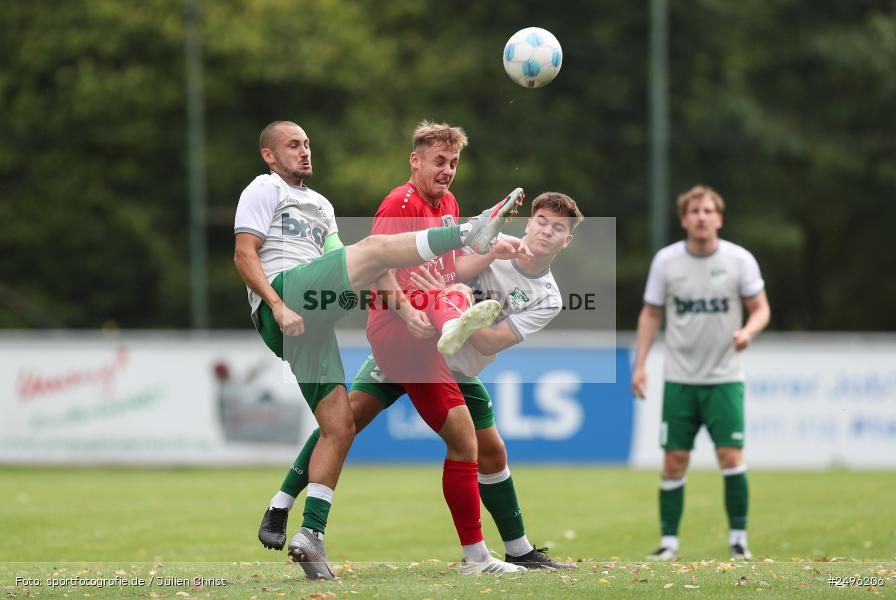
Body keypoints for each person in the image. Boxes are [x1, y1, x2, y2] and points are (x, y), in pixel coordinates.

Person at [234, 120, 521, 579]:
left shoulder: (322, 206)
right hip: (287, 298)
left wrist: (408, 307)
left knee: (339, 426)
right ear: (269, 155)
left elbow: (368, 264)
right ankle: (466, 253)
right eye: (293, 145)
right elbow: (244, 254)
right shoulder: (264, 188)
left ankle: (307, 531)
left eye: (308, 143)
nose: (305, 151)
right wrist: (276, 305)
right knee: (380, 253)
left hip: (314, 316)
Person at [258, 191, 583, 572]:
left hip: (458, 367)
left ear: (567, 239)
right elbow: (443, 270)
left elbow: (493, 340)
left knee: (491, 450)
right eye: (541, 221)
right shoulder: (493, 247)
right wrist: (441, 294)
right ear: (529, 223)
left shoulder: (548, 296)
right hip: (415, 349)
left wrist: (449, 306)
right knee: (344, 424)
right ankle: (281, 504)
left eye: (557, 227)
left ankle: (518, 549)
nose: (546, 231)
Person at [631, 185, 771, 561]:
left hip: (725, 378)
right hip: (679, 378)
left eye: (708, 211)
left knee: (730, 456)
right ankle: (668, 544)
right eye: (694, 212)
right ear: (684, 220)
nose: (702, 217)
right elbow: (651, 313)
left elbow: (760, 308)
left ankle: (739, 540)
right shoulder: (666, 261)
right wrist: (640, 364)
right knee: (674, 460)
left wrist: (748, 331)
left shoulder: (739, 260)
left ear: (719, 218)